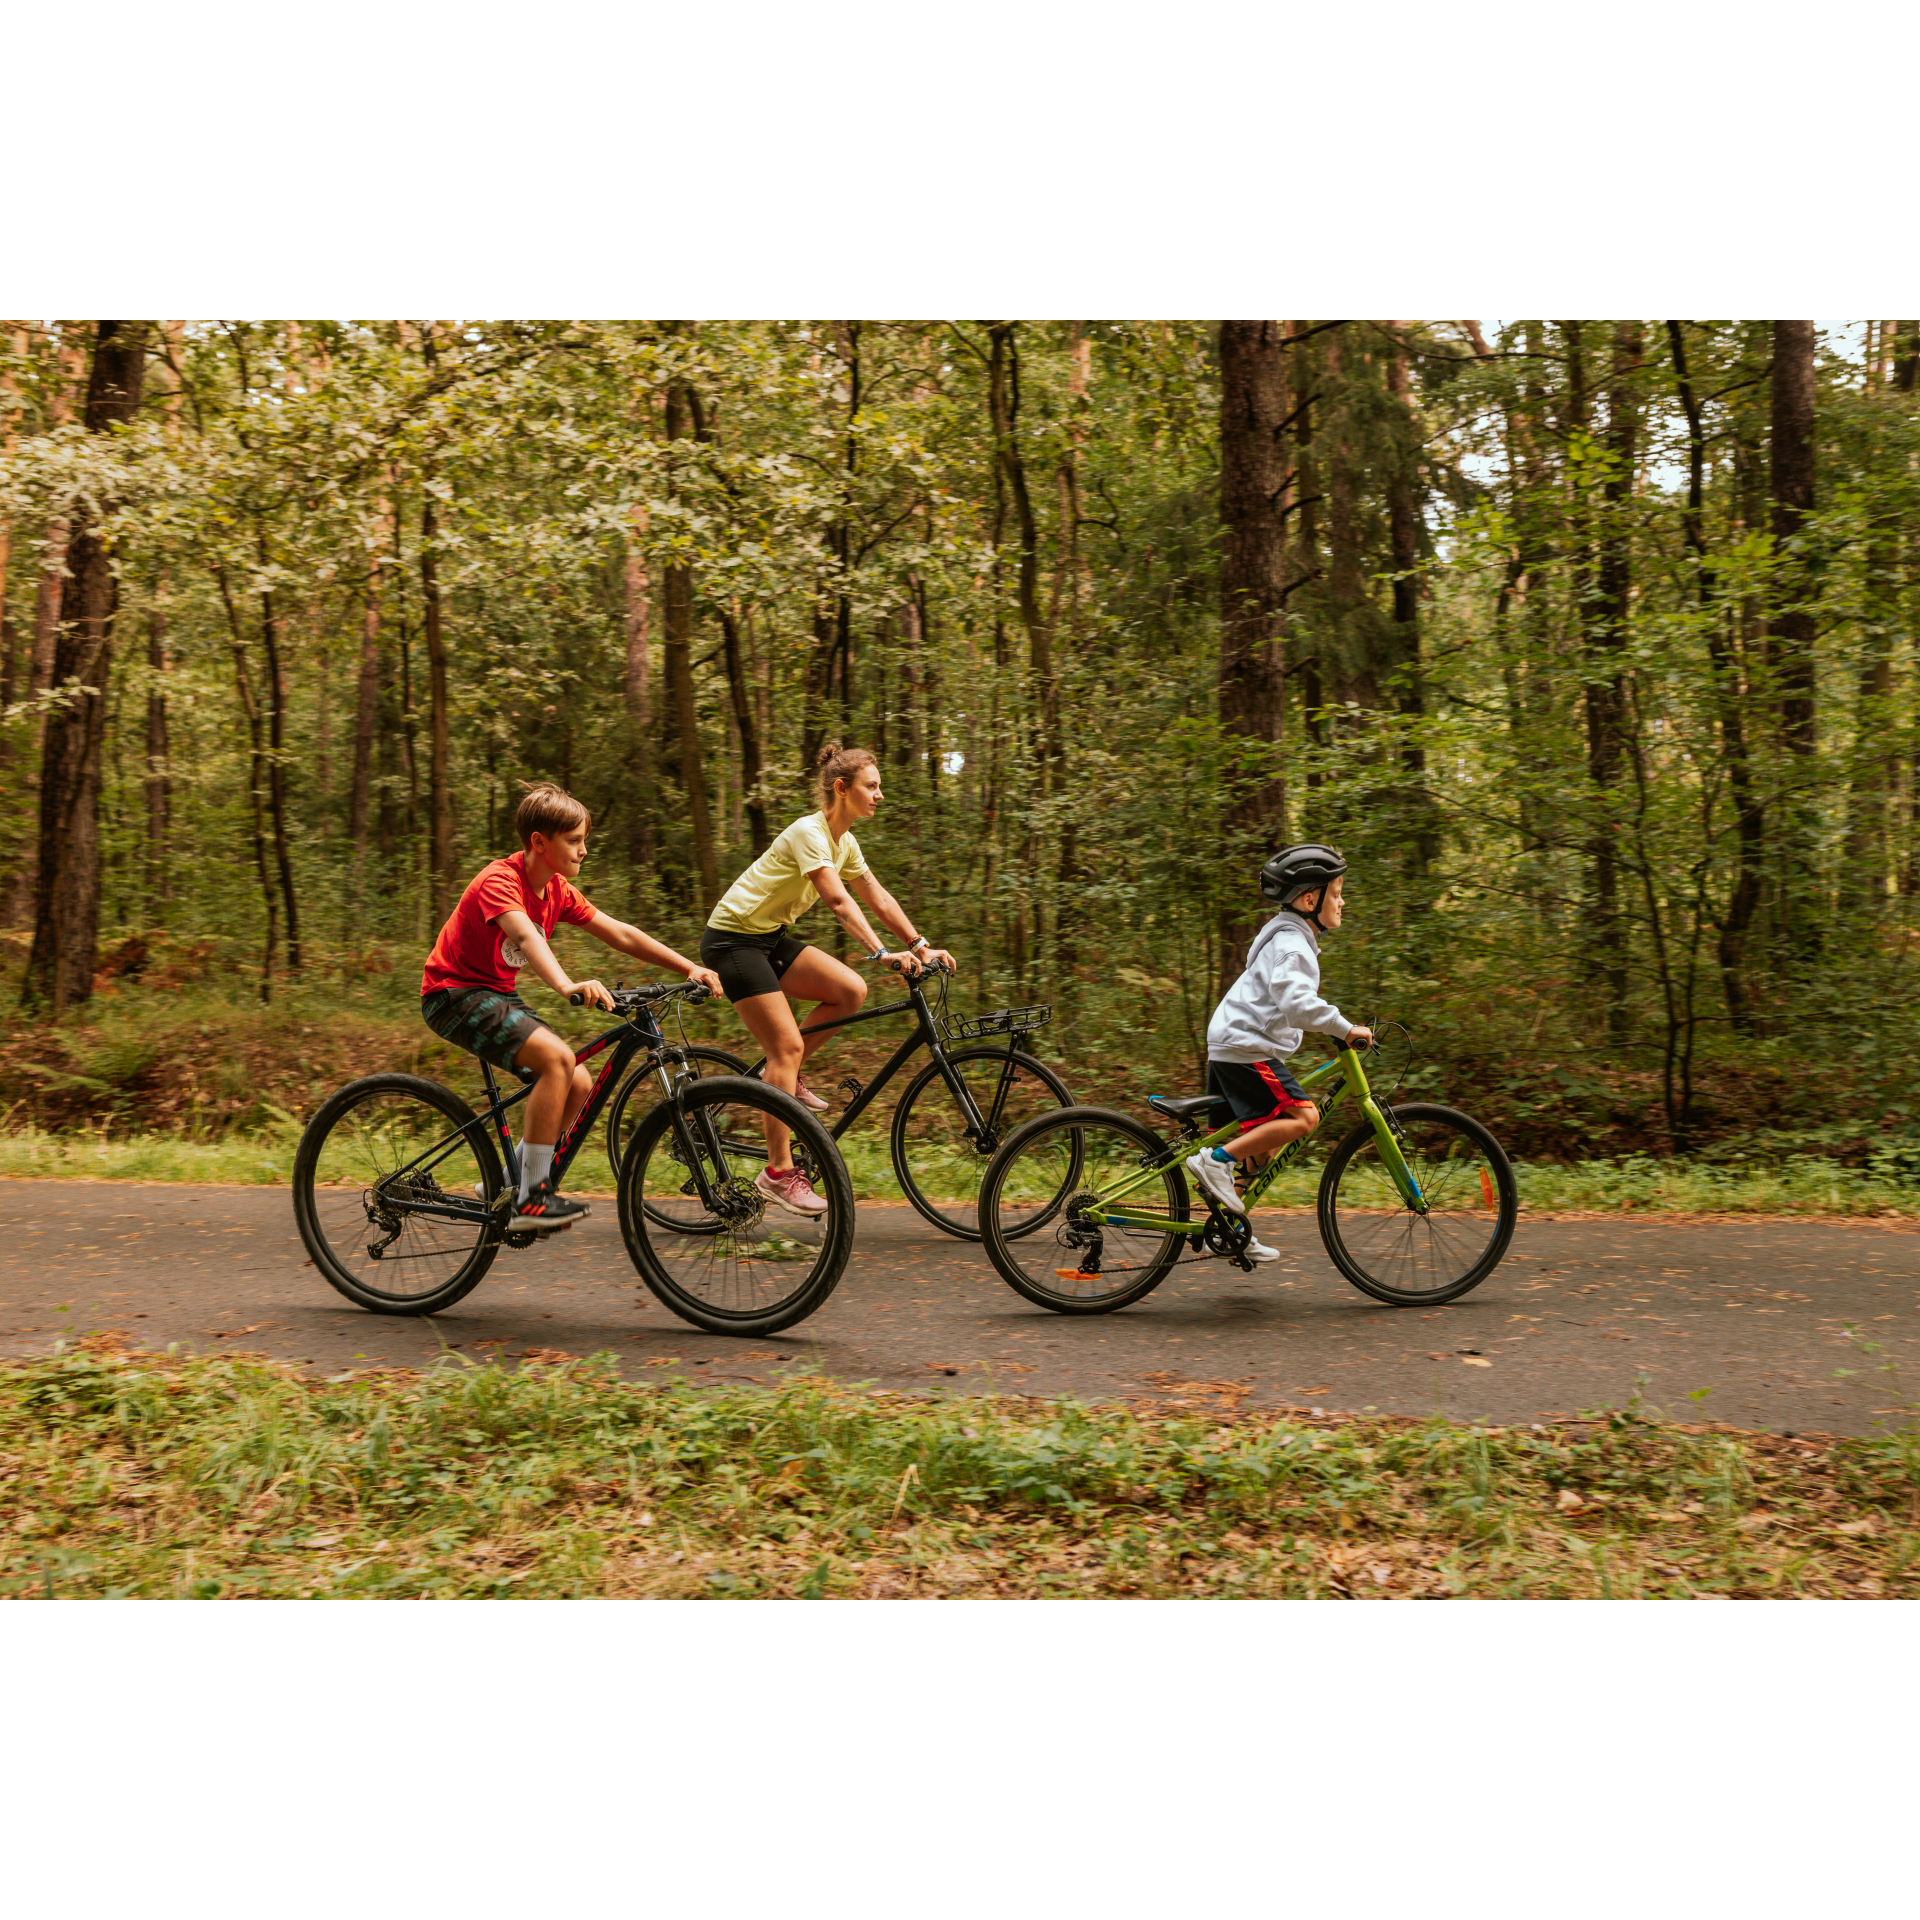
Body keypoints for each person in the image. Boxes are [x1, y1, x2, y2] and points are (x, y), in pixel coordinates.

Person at [420, 783, 722, 1232]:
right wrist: (565, 985)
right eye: (574, 841)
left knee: (577, 1080)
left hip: (495, 994)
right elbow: (525, 936)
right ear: (539, 842)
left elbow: (620, 933)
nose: (584, 851)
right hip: (454, 993)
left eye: (584, 841)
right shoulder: (500, 881)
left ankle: (508, 1183)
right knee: (558, 1061)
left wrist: (688, 965)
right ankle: (532, 1198)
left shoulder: (557, 891)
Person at [701, 742, 957, 1217]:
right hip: (732, 942)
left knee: (849, 991)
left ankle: (780, 1077)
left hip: (768, 938)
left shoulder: (846, 841)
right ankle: (777, 1173)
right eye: (872, 786)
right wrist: (881, 953)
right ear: (842, 789)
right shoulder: (809, 833)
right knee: (786, 1049)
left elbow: (875, 895)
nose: (880, 795)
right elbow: (840, 902)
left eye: (880, 787)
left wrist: (920, 945)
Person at [1187, 842, 1373, 1263]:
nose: (1342, 901)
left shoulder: (1286, 934)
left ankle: (1229, 1230)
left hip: (1232, 1043)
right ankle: (1214, 1161)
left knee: (1261, 1147)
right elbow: (1297, 1002)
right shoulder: (1294, 944)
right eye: (1337, 892)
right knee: (1304, 1118)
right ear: (1311, 899)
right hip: (1245, 1046)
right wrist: (1345, 1029)